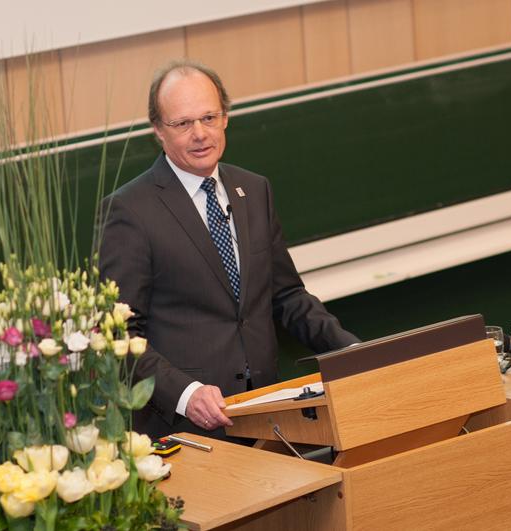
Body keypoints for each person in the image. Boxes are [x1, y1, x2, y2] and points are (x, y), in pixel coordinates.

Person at [99, 60, 358, 439]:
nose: (200, 133)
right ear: (158, 130)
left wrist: (350, 352)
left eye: (209, 117)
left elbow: (286, 296)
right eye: (183, 123)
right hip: (187, 426)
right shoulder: (130, 210)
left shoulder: (253, 190)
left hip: (268, 412)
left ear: (226, 118)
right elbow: (116, 333)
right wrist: (186, 394)